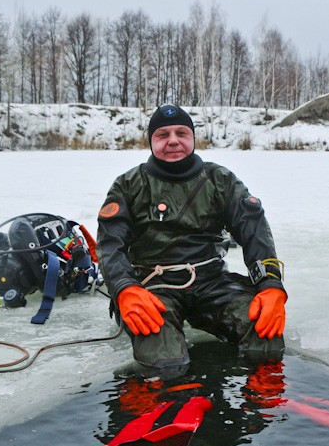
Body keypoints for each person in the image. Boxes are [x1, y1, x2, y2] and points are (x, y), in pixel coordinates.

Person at [97, 103, 287, 380]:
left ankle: (264, 399)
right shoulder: (129, 184)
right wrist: (124, 289)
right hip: (153, 286)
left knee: (265, 339)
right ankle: (157, 404)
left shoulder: (220, 179)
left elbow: (253, 230)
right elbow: (109, 244)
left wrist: (270, 285)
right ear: (151, 141)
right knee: (164, 362)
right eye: (163, 134)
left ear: (193, 138)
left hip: (212, 282)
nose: (173, 140)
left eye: (181, 133)